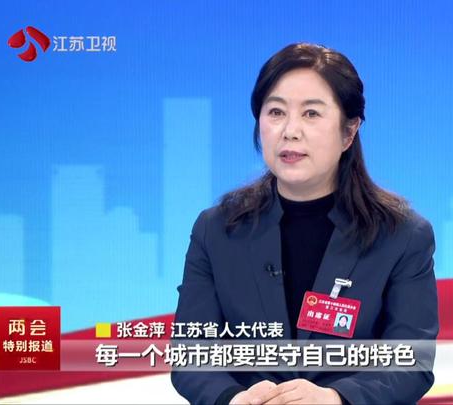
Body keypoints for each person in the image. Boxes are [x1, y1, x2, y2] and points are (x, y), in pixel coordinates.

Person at [171, 42, 438, 405]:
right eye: (276, 112)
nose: (290, 130)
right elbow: (190, 354)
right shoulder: (217, 230)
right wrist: (233, 398)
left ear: (349, 131)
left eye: (311, 113)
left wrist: (335, 398)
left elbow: (412, 362)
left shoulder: (402, 235)